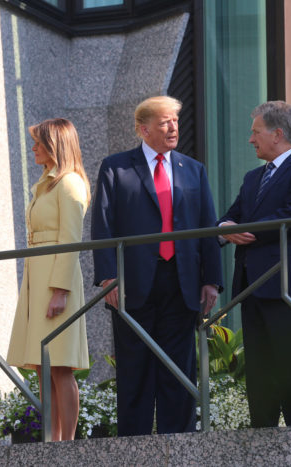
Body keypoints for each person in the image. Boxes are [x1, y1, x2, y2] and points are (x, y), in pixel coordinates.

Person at [91, 95, 223, 436]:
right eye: (165, 122)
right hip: (132, 282)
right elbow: (103, 225)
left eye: (176, 121)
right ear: (143, 129)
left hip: (182, 281)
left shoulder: (193, 170)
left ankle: (179, 443)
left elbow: (207, 226)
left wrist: (212, 280)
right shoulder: (116, 167)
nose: (173, 127)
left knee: (179, 369)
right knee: (134, 368)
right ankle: (132, 446)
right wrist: (108, 276)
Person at [218, 101, 291, 427]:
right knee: (260, 374)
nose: (251, 140)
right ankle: (260, 443)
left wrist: (246, 230)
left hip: (287, 285)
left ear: (277, 134)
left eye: (255, 132)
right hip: (251, 287)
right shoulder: (253, 178)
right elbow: (230, 216)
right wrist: (225, 229)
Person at [6, 118, 90, 442]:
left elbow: (71, 240)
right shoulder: (48, 182)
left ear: (54, 145)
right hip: (37, 278)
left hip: (56, 281)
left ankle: (65, 443)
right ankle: (51, 440)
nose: (33, 148)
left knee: (59, 366)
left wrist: (60, 290)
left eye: (38, 142)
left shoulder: (69, 183)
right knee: (43, 367)